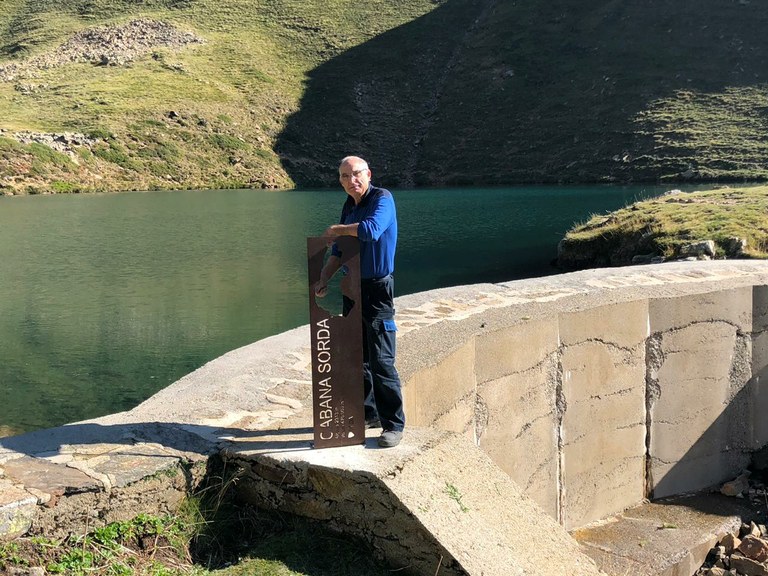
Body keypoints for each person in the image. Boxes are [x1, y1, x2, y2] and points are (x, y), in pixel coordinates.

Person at [314, 156, 405, 448]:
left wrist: (335, 229)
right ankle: (369, 414)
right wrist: (324, 277)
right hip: (351, 287)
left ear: (368, 174)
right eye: (344, 176)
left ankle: (393, 425)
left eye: (355, 174)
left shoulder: (383, 199)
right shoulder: (349, 206)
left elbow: (370, 231)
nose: (351, 181)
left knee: (381, 360)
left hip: (378, 289)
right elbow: (340, 251)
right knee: (357, 356)